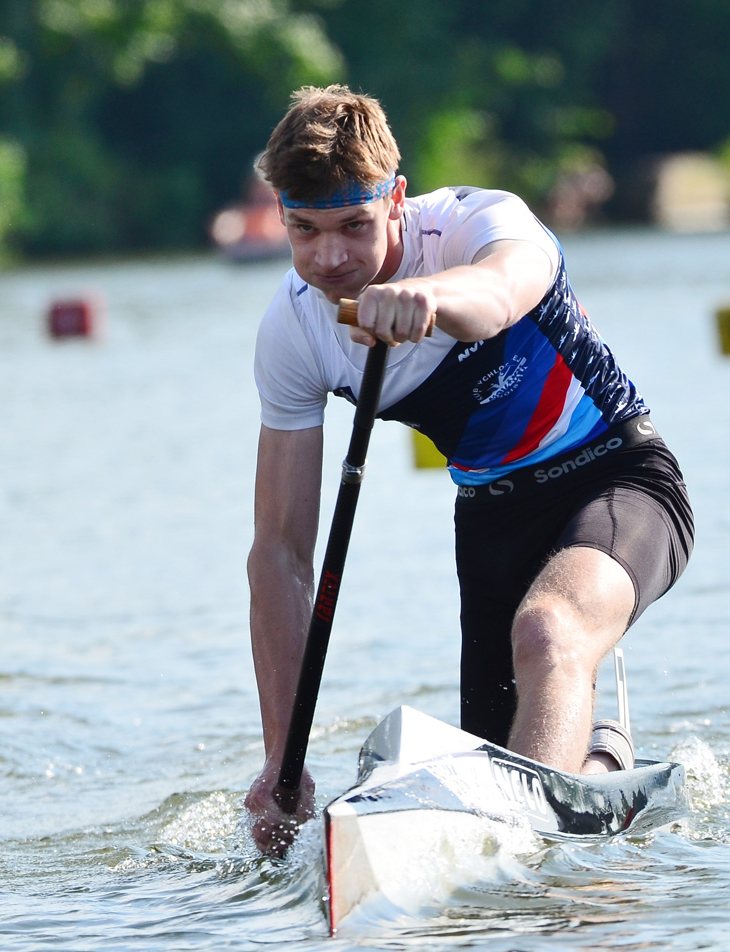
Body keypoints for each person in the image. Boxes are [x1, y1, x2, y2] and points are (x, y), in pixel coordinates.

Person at [243, 85, 693, 856]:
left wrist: (428, 295)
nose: (329, 259)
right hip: (490, 524)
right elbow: (281, 555)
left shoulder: (481, 224)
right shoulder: (294, 332)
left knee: (548, 631)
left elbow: (497, 293)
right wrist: (282, 760)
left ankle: (529, 858)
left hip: (618, 479)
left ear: (398, 202)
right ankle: (598, 758)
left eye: (354, 226)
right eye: (303, 230)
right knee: (507, 751)